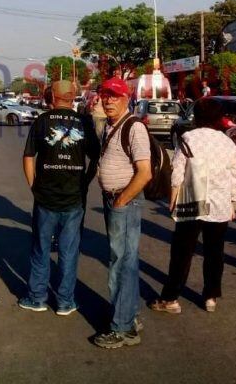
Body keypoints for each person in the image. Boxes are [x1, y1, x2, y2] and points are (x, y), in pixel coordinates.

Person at [149, 98, 236, 314]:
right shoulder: (228, 143)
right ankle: (211, 296)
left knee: (182, 252)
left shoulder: (188, 138)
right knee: (215, 252)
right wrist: (231, 202)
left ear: (197, 117)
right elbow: (235, 176)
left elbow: (178, 172)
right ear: (219, 118)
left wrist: (173, 199)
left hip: (192, 201)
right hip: (218, 204)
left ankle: (171, 298)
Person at [19, 81, 99, 315]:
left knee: (41, 249)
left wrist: (34, 186)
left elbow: (27, 156)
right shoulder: (84, 122)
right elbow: (96, 156)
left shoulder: (42, 121)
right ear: (73, 97)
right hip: (74, 197)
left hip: (45, 197)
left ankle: (37, 297)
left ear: (53, 96)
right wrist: (85, 180)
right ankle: (65, 301)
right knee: (69, 251)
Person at [92, 77, 151, 349]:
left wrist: (121, 200)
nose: (108, 100)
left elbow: (144, 173)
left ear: (127, 98)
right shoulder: (111, 126)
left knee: (121, 262)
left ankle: (122, 328)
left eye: (114, 96)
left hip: (123, 202)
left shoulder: (134, 127)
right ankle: (130, 315)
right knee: (126, 260)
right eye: (105, 95)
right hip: (114, 200)